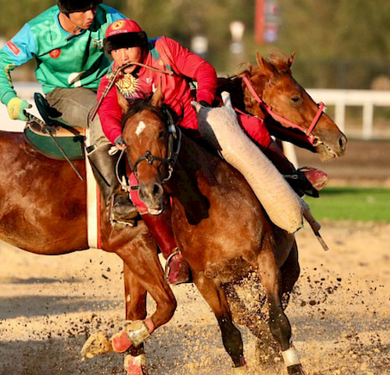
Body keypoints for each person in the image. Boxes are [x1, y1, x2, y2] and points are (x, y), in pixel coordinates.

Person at [96, 19, 311, 285]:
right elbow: (106, 112)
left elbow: (203, 69)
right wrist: (117, 136)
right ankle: (174, 254)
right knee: (137, 190)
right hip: (154, 146)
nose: (122, 55)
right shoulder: (111, 78)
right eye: (116, 50)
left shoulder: (164, 49)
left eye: (128, 48)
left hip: (191, 121)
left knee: (252, 126)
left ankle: (292, 177)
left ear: (141, 44)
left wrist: (205, 99)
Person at [0, 0, 138, 223]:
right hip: (63, 94)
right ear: (64, 11)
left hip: (109, 83)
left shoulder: (109, 17)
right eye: (83, 10)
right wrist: (10, 99)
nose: (91, 15)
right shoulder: (37, 30)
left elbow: (141, 47)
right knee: (102, 114)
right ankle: (116, 201)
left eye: (94, 7)